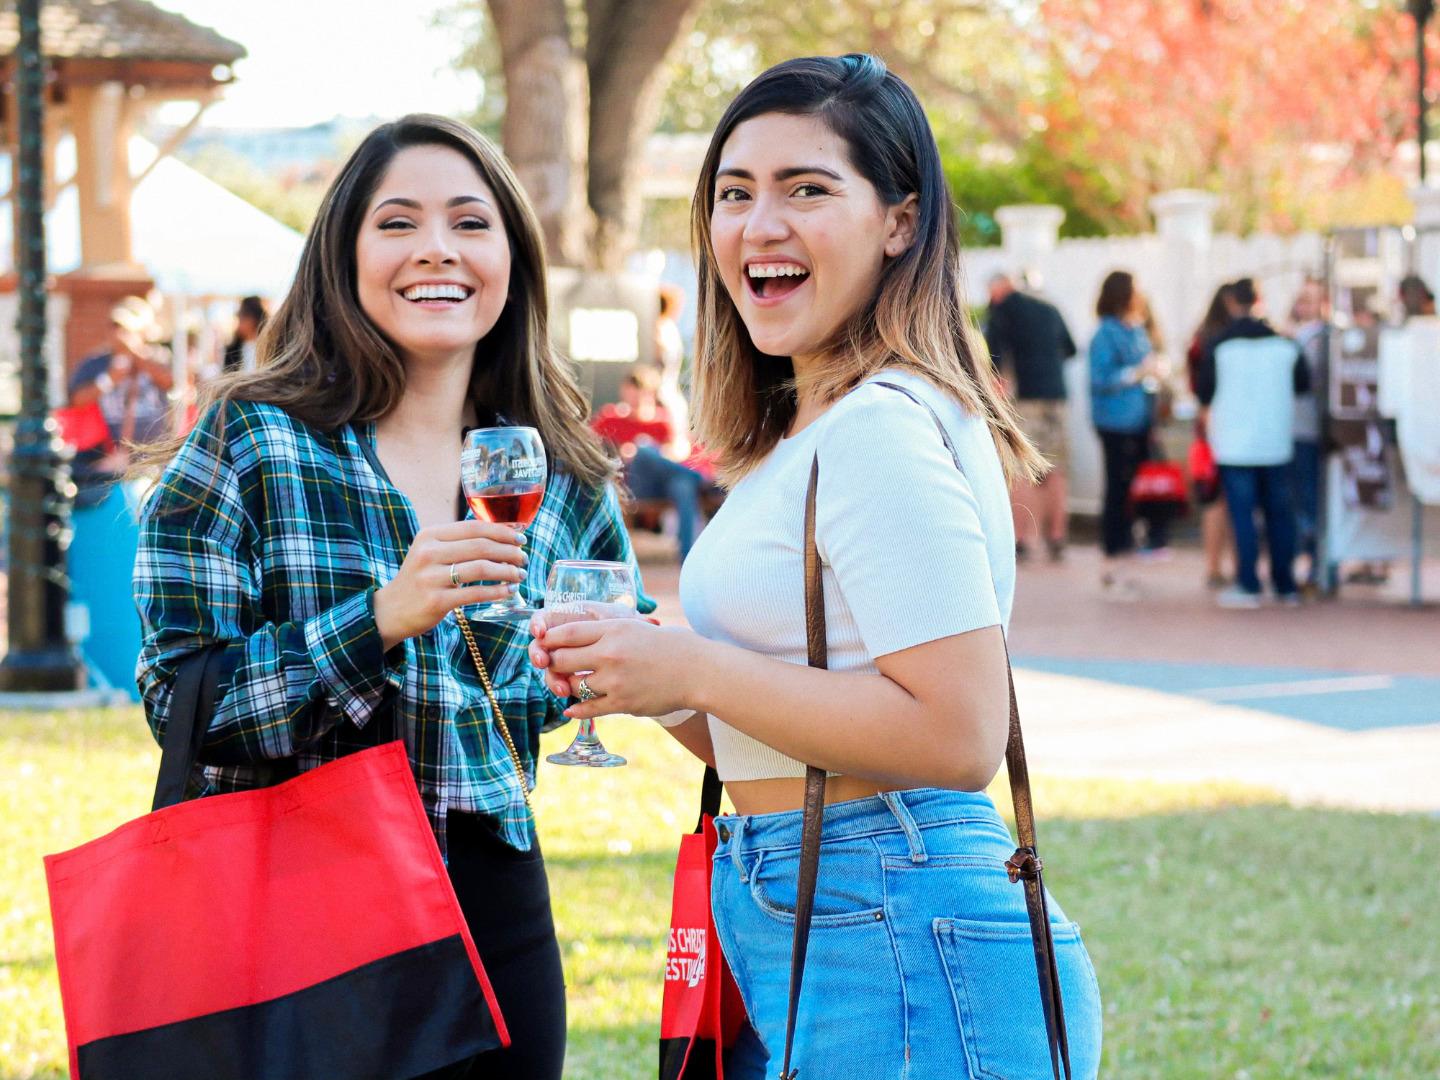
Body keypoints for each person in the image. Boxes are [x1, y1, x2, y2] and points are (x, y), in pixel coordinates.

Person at [530, 54, 1103, 1078]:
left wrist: (693, 669)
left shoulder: (881, 427)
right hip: (831, 911)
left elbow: (959, 733)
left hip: (899, 919)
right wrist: (651, 680)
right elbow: (774, 745)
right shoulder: (812, 431)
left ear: (900, 221)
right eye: (735, 194)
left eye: (808, 189)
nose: (760, 224)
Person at [134, 114, 651, 1079]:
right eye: (398, 223)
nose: (437, 251)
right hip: (298, 901)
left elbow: (572, 680)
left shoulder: (559, 469)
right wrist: (378, 621)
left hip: (495, 899)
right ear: (345, 254)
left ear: (511, 259)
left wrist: (603, 671)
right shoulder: (254, 441)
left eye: (470, 222)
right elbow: (181, 702)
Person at [1194, 276, 1310, 608]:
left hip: (1235, 444)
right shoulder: (1284, 345)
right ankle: (1285, 583)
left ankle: (1248, 582)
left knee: (1242, 515)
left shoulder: (1221, 345)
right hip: (1276, 441)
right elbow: (1302, 385)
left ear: (1232, 303)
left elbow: (1204, 393)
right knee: (1279, 515)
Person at [984, 271, 1078, 561]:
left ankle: (1021, 538)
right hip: (1057, 397)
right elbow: (1071, 349)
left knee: (1021, 467)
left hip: (1024, 398)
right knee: (1056, 468)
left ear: (999, 289)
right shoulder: (1050, 309)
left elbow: (993, 355)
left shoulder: (1002, 309)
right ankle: (1057, 536)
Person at [1089, 269, 1166, 598]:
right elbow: (1101, 378)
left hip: (1140, 422)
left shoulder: (1137, 329)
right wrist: (1138, 372)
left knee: (1135, 494)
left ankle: (1126, 560)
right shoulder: (1105, 334)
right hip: (1115, 423)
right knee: (1117, 493)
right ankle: (1111, 563)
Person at [592, 365, 709, 560]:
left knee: (683, 485)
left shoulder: (662, 421)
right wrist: (622, 454)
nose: (636, 401)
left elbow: (678, 451)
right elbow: (589, 448)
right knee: (644, 450)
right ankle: (700, 478)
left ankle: (687, 557)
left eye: (641, 396)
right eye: (631, 395)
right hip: (631, 485)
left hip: (661, 484)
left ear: (651, 395)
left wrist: (657, 451)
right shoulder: (610, 418)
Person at [68, 296, 175, 485]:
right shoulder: (95, 363)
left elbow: (172, 383)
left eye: (127, 328)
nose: (120, 333)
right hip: (109, 460)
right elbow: (77, 399)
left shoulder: (160, 357)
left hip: (157, 458)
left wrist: (137, 356)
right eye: (115, 326)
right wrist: (109, 379)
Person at [1186, 284, 1237, 589]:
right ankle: (1234, 564)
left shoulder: (1200, 339)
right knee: (1234, 497)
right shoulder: (1229, 341)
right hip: (1230, 420)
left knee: (1213, 496)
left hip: (1207, 421)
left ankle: (1213, 565)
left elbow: (1194, 383)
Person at [1288, 278, 1330, 591]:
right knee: (1303, 500)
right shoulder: (1300, 337)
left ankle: (1318, 564)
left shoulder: (1316, 339)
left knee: (1310, 500)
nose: (1303, 305)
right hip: (1298, 428)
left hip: (1309, 430)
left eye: (1309, 299)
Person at [222, 294, 269, 374]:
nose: (239, 322)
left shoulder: (270, 347)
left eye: (242, 317)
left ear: (253, 319)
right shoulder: (232, 350)